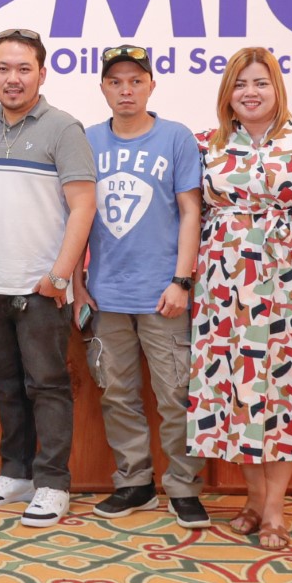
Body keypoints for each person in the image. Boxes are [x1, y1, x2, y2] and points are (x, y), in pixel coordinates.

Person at [188, 47, 292, 551]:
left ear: (277, 88)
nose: (250, 92)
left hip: (286, 286)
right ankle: (254, 498)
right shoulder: (206, 145)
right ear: (227, 93)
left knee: (281, 394)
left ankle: (275, 508)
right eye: (240, 84)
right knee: (235, 393)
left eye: (260, 82)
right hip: (222, 287)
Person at [0, 28, 96, 527]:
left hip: (41, 288)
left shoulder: (64, 129)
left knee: (47, 386)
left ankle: (53, 483)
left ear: (42, 73)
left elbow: (83, 206)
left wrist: (60, 276)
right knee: (6, 385)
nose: (13, 79)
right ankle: (16, 474)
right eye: (3, 69)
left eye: (23, 69)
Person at [72, 47, 210, 529]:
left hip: (163, 294)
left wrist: (182, 280)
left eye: (136, 80)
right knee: (116, 393)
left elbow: (191, 211)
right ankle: (134, 481)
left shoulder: (176, 138)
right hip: (105, 294)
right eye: (116, 81)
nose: (126, 90)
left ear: (152, 85)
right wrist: (77, 283)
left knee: (176, 394)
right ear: (103, 88)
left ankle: (184, 486)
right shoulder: (87, 140)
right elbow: (78, 214)